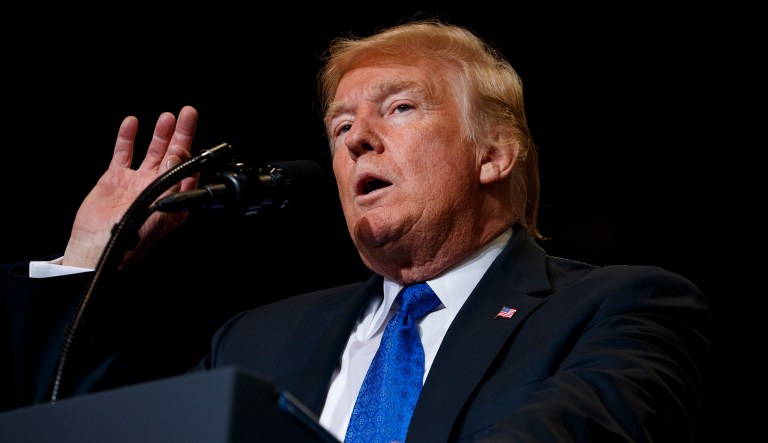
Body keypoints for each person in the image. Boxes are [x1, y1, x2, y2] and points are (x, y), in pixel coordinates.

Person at [1, 18, 712, 442]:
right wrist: (90, 257)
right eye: (341, 125)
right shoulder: (256, 339)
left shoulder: (620, 309)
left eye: (399, 108)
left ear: (493, 153)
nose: (356, 141)